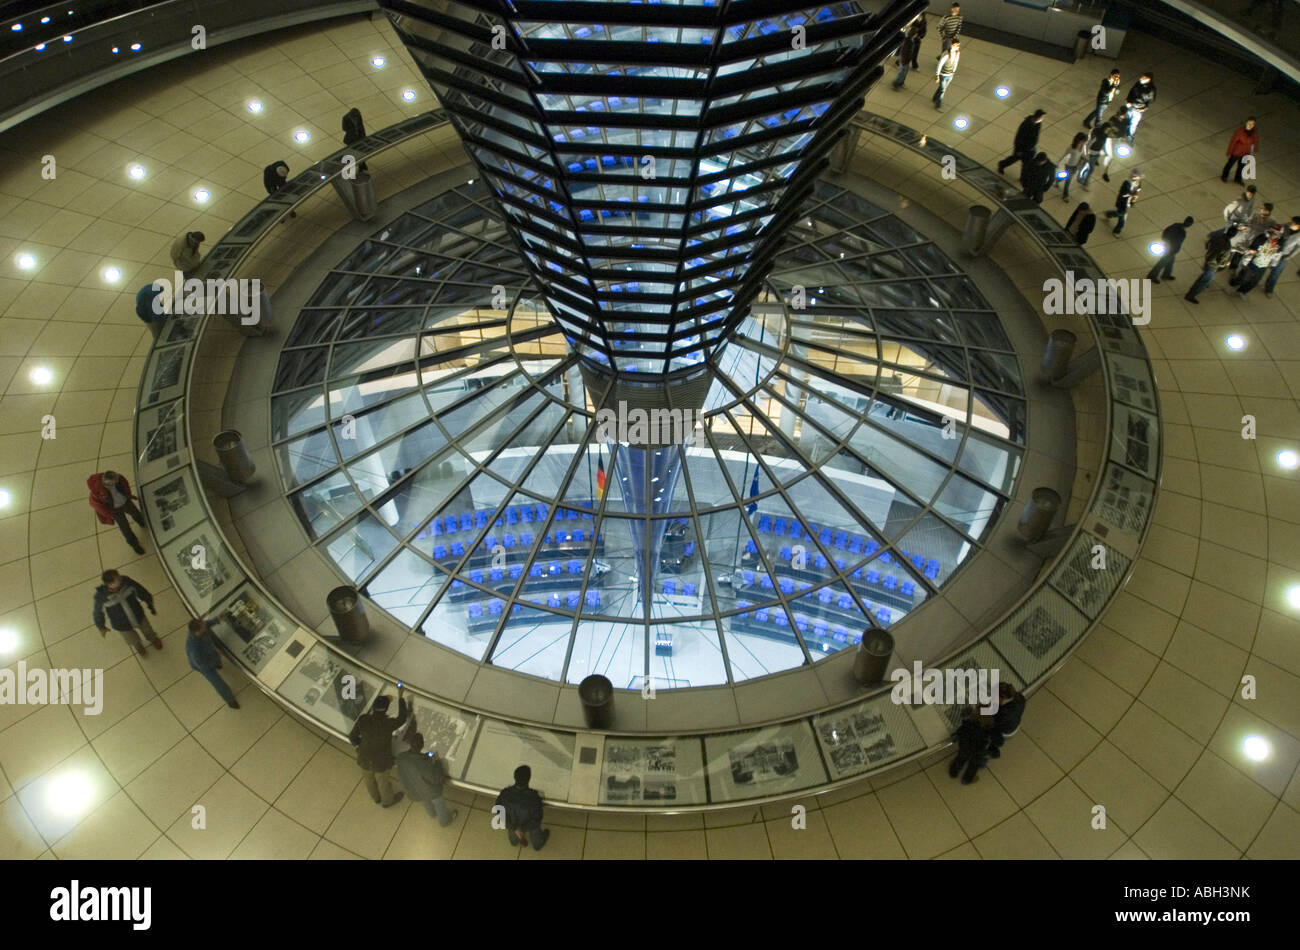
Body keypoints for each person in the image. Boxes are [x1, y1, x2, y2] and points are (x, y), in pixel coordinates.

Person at [348, 689, 411, 807]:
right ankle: (387, 801)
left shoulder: (364, 719)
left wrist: (359, 747)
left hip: (364, 757)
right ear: (386, 709)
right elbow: (402, 718)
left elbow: (352, 737)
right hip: (381, 761)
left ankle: (376, 798)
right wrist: (401, 697)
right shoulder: (388, 723)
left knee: (368, 780)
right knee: (383, 782)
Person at [395, 732, 458, 828]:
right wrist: (437, 762)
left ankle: (432, 813)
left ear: (410, 743)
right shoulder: (426, 764)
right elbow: (437, 779)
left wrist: (426, 757)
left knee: (425, 801)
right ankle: (445, 821)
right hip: (431, 792)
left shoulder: (401, 757)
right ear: (422, 744)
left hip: (414, 790)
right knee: (439, 805)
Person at [93, 569, 162, 656]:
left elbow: (140, 590)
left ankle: (153, 639)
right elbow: (98, 613)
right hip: (121, 624)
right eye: (117, 579)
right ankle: (139, 647)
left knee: (147, 629)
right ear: (110, 584)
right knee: (132, 639)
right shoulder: (101, 597)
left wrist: (148, 600)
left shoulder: (127, 582)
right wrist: (101, 626)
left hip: (137, 614)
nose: (120, 579)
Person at [88, 470, 147, 554]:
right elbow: (97, 505)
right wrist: (109, 513)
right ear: (106, 482)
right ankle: (134, 544)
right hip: (114, 510)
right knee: (125, 528)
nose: (116, 483)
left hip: (125, 502)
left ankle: (143, 523)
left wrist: (128, 495)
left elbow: (125, 485)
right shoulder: (97, 490)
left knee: (136, 513)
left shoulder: (119, 479)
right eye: (114, 483)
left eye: (117, 481)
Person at [186, 617, 239, 708]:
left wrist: (217, 620)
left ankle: (217, 664)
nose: (205, 625)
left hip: (210, 654)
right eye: (203, 626)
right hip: (203, 665)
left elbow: (207, 623)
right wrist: (216, 658)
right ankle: (230, 700)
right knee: (218, 683)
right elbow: (203, 665)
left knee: (216, 660)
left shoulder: (200, 629)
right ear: (198, 632)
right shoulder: (194, 648)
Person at [496, 765, 549, 850]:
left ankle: (514, 842)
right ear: (529, 779)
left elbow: (498, 809)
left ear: (514, 777)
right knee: (536, 835)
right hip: (529, 824)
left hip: (512, 823)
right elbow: (537, 817)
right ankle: (537, 845)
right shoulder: (534, 797)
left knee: (513, 834)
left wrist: (516, 828)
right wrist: (523, 828)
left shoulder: (505, 793)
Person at [1184, 225, 1239, 303]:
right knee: (1204, 281)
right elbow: (1222, 261)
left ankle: (1195, 289)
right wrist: (1226, 263)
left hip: (1208, 258)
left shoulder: (1217, 237)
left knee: (1204, 276)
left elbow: (1207, 244)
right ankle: (1191, 295)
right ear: (1233, 235)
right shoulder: (1227, 246)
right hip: (1213, 265)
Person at [1236, 224, 1285, 297]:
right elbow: (1252, 249)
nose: (1274, 235)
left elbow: (1278, 255)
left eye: (1277, 234)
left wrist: (1273, 264)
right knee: (1244, 277)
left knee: (1255, 281)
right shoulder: (1262, 238)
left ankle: (1242, 291)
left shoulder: (1279, 244)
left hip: (1263, 265)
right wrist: (1248, 256)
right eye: (1273, 233)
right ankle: (1234, 283)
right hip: (1252, 262)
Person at [948, 706, 992, 785]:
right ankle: (966, 780)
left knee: (960, 759)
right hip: (977, 752)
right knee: (973, 767)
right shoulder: (987, 729)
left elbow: (960, 732)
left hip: (965, 748)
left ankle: (953, 772)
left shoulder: (968, 723)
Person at [996, 109, 1045, 178]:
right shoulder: (1026, 124)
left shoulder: (1038, 124)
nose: (1042, 118)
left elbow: (1035, 137)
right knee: (1014, 158)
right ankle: (1002, 164)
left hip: (1030, 148)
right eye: (1041, 117)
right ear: (1038, 117)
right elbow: (1019, 137)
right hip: (1022, 147)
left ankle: (1023, 177)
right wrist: (1019, 150)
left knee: (1026, 163)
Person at [1147, 216, 1194, 282]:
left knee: (1170, 262)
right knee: (1162, 263)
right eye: (1190, 223)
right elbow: (1176, 241)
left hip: (1171, 250)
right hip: (1170, 250)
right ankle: (1151, 276)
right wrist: (1170, 247)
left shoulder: (1176, 226)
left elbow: (1165, 232)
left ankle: (1166, 275)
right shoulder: (1181, 231)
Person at [1262, 216, 1300, 297]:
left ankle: (1269, 289)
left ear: (1297, 226)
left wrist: (1288, 256)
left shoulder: (1299, 236)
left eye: (1292, 222)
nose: (1290, 223)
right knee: (1262, 266)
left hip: (1283, 255)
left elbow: (1297, 248)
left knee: (1276, 273)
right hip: (1273, 250)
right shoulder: (1284, 226)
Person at [1077, 118, 1117, 190]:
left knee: (1087, 167)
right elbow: (1088, 144)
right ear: (1105, 128)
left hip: (1095, 154)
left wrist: (1105, 152)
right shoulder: (1098, 135)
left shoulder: (1104, 135)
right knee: (1089, 168)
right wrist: (1086, 154)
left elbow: (1103, 144)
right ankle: (1083, 182)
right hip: (1091, 154)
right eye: (1108, 129)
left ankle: (1081, 179)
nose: (1108, 131)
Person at [988, 683, 1026, 758]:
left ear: (1002, 698)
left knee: (989, 727)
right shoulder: (1021, 698)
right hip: (1015, 724)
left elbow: (990, 720)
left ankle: (992, 749)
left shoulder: (1002, 713)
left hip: (1006, 732)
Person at [1104, 169, 1142, 236]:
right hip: (1122, 203)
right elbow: (1123, 194)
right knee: (1122, 219)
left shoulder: (1136, 184)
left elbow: (1135, 194)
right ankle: (1116, 231)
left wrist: (1132, 201)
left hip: (1126, 204)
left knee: (1119, 214)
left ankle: (1108, 213)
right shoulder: (1127, 183)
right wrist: (1131, 194)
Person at [1221, 118, 1259, 184]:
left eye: (1252, 124)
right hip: (1236, 152)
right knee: (1230, 164)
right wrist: (1229, 152)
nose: (1250, 125)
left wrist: (1254, 150)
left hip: (1246, 153)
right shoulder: (1240, 131)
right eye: (1249, 123)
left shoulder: (1254, 133)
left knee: (1241, 167)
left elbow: (1255, 142)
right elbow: (1233, 142)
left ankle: (1237, 179)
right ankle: (1224, 176)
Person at [1122, 72, 1156, 142]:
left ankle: (1130, 137)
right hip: (1131, 105)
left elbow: (1151, 100)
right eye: (1142, 77)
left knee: (1133, 124)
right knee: (1126, 120)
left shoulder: (1151, 89)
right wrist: (1128, 100)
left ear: (1149, 79)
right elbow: (1131, 91)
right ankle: (1124, 134)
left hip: (1139, 109)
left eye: (1144, 78)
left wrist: (1144, 108)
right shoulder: (1138, 84)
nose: (1142, 79)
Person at [1056, 132, 1087, 202]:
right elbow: (1064, 154)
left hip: (1076, 166)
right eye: (1083, 141)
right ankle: (1065, 195)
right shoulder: (1071, 148)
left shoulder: (1082, 147)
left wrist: (1085, 158)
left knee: (1066, 177)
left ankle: (1057, 180)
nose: (1084, 142)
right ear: (1078, 140)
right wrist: (1058, 162)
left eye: (1084, 141)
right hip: (1069, 166)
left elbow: (1082, 154)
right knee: (1068, 181)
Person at [891, 24, 920, 90]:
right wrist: (905, 61)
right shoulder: (908, 41)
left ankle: (901, 83)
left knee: (904, 73)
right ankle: (896, 84)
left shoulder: (911, 40)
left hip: (906, 60)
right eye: (916, 34)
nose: (917, 35)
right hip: (904, 60)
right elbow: (904, 52)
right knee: (901, 73)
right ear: (914, 34)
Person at [932, 40, 959, 110]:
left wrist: (953, 71)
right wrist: (937, 75)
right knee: (943, 90)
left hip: (950, 74)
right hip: (943, 75)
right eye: (957, 46)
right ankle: (938, 105)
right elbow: (940, 64)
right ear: (952, 46)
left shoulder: (957, 53)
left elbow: (956, 62)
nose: (958, 47)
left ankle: (935, 98)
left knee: (942, 88)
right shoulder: (946, 54)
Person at [341, 107, 369, 172]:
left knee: (360, 152)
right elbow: (344, 128)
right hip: (351, 139)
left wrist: (363, 136)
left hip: (359, 137)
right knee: (355, 153)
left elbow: (361, 126)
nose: (356, 118)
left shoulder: (358, 116)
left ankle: (362, 164)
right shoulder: (345, 118)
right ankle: (360, 165)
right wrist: (352, 131)